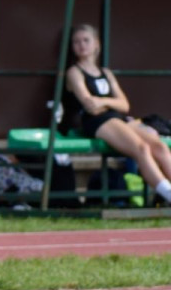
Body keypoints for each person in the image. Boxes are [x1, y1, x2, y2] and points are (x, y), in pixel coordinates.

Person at [63, 23, 171, 207]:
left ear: (96, 44)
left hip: (115, 118)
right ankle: (167, 193)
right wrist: (106, 103)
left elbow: (124, 104)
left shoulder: (105, 73)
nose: (81, 45)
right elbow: (90, 106)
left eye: (86, 40)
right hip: (96, 122)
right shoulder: (74, 72)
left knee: (159, 147)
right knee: (142, 148)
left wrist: (103, 101)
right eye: (76, 42)